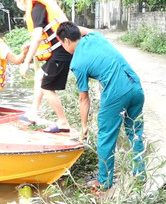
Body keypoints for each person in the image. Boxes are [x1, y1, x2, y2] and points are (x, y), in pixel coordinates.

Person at [56, 21, 146, 190]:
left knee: (105, 136)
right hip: (136, 86)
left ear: (67, 41)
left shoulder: (76, 63)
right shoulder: (94, 36)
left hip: (116, 93)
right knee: (135, 132)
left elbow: (84, 98)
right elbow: (82, 30)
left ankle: (104, 181)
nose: (63, 47)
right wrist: (70, 26)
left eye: (62, 43)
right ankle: (140, 175)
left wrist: (84, 126)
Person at [8, 0, 72, 133]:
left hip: (62, 50)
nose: (18, 4)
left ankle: (63, 122)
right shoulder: (38, 5)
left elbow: (37, 37)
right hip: (59, 49)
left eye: (16, 0)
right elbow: (44, 35)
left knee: (47, 86)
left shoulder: (36, 6)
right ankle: (33, 113)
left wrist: (25, 62)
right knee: (39, 76)